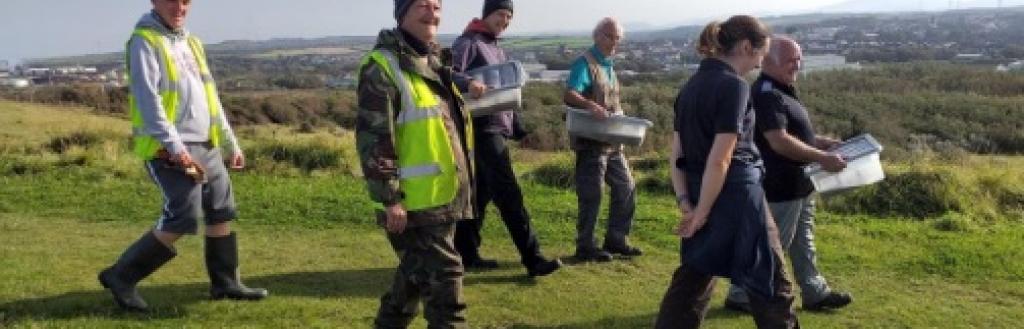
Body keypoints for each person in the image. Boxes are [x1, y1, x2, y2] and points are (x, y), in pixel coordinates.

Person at [98, 0, 267, 312]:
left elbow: (210, 96)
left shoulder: (191, 41)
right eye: (172, 0)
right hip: (170, 148)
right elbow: (149, 104)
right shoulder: (143, 41)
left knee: (221, 209)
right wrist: (178, 150)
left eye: (186, 1)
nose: (180, 6)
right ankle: (121, 275)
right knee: (184, 214)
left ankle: (225, 283)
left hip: (207, 141)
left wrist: (231, 143)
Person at [655, 15, 800, 328]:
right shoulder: (734, 86)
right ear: (747, 46)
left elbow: (677, 154)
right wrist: (702, 213)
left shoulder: (690, 87)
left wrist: (688, 204)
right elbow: (721, 159)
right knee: (772, 282)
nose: (760, 63)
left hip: (699, 191)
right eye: (761, 54)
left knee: (693, 278)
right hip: (736, 195)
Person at [356, 0, 474, 327]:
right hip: (411, 202)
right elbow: (373, 138)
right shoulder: (382, 66)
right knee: (446, 287)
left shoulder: (432, 62)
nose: (431, 11)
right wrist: (389, 198)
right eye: (422, 4)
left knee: (411, 281)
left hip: (441, 194)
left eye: (436, 5)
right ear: (402, 13)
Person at [723, 36, 853, 313]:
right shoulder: (767, 94)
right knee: (772, 245)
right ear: (768, 60)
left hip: (800, 183)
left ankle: (814, 291)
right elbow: (778, 140)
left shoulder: (782, 89)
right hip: (780, 185)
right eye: (790, 60)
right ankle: (741, 295)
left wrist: (822, 142)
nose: (797, 65)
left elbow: (796, 134)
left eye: (799, 59)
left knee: (803, 241)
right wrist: (823, 158)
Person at [450, 0, 561, 277]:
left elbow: (504, 94)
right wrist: (468, 84)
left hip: (497, 127)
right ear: (487, 14)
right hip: (481, 129)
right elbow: (447, 73)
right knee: (509, 194)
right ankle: (533, 259)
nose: (505, 20)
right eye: (501, 13)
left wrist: (518, 127)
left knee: (481, 194)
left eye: (509, 16)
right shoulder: (470, 42)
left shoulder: (496, 47)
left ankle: (466, 255)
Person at [562, 17, 641, 262]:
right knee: (592, 193)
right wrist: (589, 105)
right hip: (590, 141)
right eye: (609, 36)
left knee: (626, 187)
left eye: (617, 38)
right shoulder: (584, 63)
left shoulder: (609, 65)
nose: (613, 42)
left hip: (612, 142)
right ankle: (585, 246)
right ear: (597, 36)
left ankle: (616, 239)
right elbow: (570, 94)